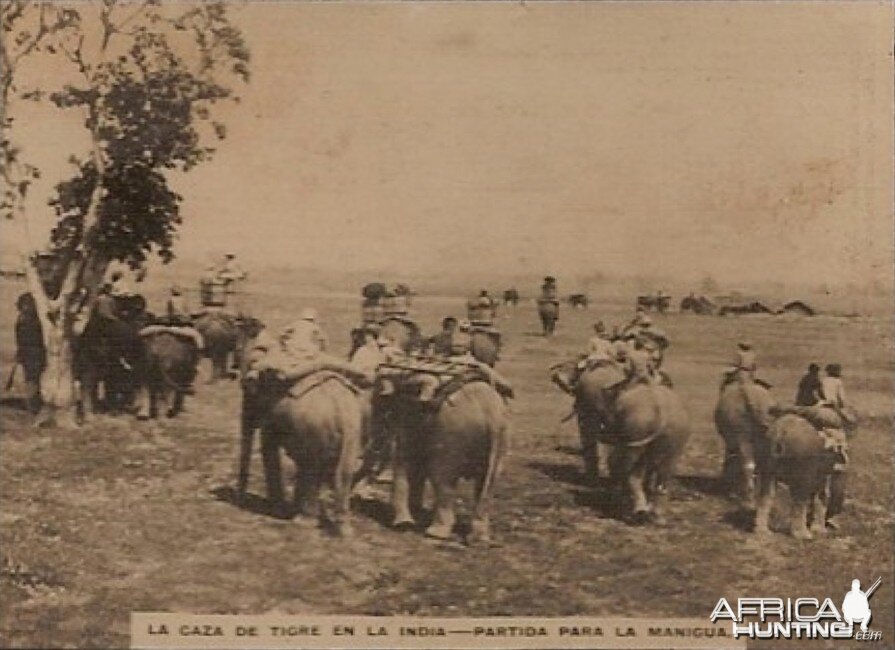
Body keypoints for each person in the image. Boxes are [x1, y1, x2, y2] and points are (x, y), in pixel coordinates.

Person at [14, 293, 46, 413]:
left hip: (30, 352)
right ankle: (34, 404)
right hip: (33, 352)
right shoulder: (33, 320)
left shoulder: (22, 319)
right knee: (33, 379)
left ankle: (34, 403)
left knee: (32, 379)